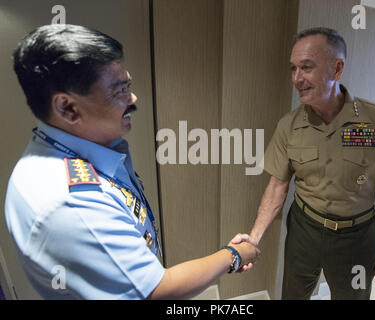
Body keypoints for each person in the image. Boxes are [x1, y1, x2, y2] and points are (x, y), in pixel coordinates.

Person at [5, 24, 260, 300]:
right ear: (67, 107)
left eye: (129, 85)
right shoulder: (71, 203)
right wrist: (233, 255)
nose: (133, 98)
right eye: (119, 91)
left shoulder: (85, 149)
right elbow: (155, 290)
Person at [233, 27, 375, 299]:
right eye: (293, 69)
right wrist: (254, 237)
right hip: (303, 232)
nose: (297, 78)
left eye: (306, 67)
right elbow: (277, 186)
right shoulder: (290, 125)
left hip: (356, 239)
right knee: (293, 295)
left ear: (336, 69)